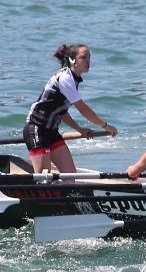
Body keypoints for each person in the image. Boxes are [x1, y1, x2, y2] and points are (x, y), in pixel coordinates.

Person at [23, 43, 117, 174]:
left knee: (70, 174)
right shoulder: (65, 78)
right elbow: (82, 108)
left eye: (89, 57)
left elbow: (62, 112)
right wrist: (105, 126)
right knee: (44, 177)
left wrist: (79, 129)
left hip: (51, 132)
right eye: (84, 57)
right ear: (72, 60)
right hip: (36, 128)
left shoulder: (74, 80)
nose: (88, 61)